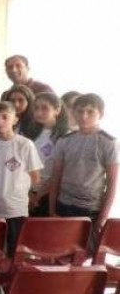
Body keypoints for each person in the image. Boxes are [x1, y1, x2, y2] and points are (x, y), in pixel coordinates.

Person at [49, 93, 118, 250]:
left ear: (101, 114)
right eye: (80, 111)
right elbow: (55, 178)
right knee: (59, 251)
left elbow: (112, 183)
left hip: (90, 209)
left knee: (85, 255)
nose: (84, 116)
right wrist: (52, 210)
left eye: (90, 112)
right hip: (64, 205)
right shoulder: (65, 140)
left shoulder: (108, 142)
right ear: (73, 113)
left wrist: (103, 217)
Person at [0, 101, 42, 253]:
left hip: (15, 209)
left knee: (14, 253)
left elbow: (35, 177)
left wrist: (25, 194)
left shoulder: (25, 144)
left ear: (15, 119)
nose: (0, 121)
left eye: (5, 117)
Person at [29, 93, 69, 217]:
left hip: (51, 194)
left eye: (44, 108)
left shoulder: (66, 136)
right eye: (36, 108)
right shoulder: (32, 133)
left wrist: (40, 194)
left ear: (57, 110)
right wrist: (30, 193)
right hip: (30, 191)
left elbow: (62, 171)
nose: (39, 112)